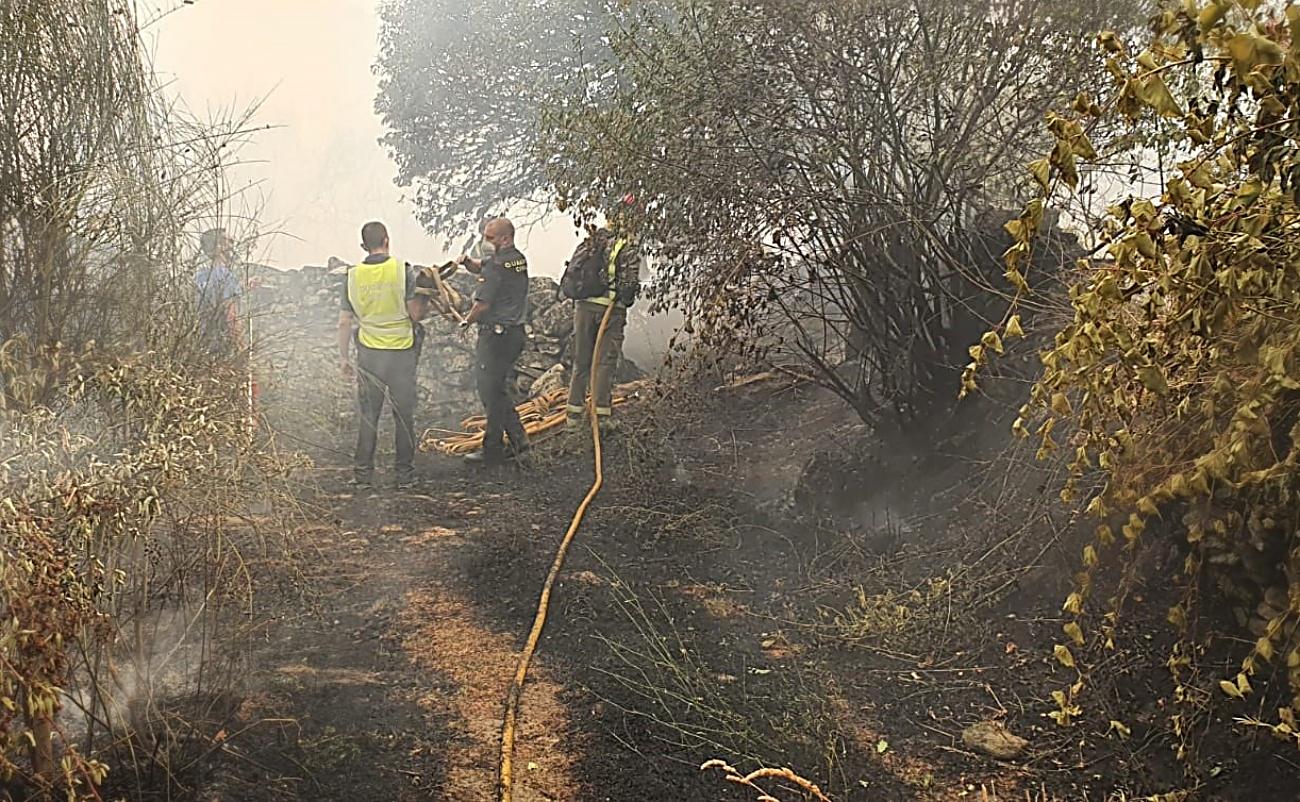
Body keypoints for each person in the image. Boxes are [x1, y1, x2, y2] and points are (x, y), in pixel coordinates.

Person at [338, 221, 428, 488]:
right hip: (401, 352)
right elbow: (415, 314)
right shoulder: (403, 270)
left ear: (364, 246)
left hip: (369, 354)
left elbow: (344, 321)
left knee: (368, 415)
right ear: (387, 240)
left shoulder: (352, 276)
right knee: (403, 415)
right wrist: (426, 301)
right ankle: (404, 476)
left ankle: (363, 475)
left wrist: (343, 358)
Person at [454, 216, 530, 464]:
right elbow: (483, 265)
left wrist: (466, 321)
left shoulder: (497, 266)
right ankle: (519, 442)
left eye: (490, 238)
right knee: (496, 389)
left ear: (505, 239)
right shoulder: (516, 259)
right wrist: (468, 262)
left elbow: (483, 304)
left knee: (490, 391)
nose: (484, 242)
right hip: (514, 334)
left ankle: (493, 450)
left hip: (496, 337)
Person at [565, 228, 641, 432]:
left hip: (583, 309)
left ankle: (573, 417)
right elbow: (629, 286)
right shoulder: (627, 246)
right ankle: (601, 417)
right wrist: (625, 299)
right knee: (605, 362)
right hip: (611, 311)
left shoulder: (591, 242)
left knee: (581, 361)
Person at [194, 228, 243, 356]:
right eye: (230, 242)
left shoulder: (200, 276)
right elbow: (230, 314)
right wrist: (240, 347)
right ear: (218, 247)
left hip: (201, 346)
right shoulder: (226, 276)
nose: (233, 246)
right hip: (223, 346)